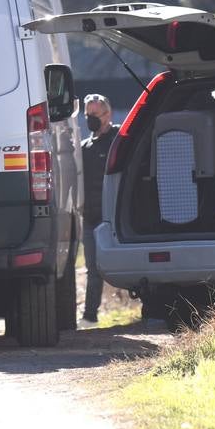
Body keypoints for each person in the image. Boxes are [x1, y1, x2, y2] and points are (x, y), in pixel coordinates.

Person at [80, 94, 117, 323]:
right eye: (88, 115)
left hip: (114, 219)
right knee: (92, 270)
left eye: (95, 114)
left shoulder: (120, 139)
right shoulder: (85, 148)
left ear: (107, 114)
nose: (91, 119)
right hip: (91, 218)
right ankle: (89, 316)